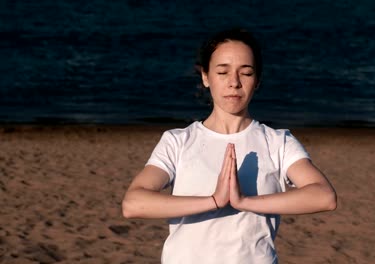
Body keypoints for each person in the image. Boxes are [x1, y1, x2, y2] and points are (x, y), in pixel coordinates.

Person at [122, 28, 337, 264]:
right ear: (205, 77)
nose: (234, 83)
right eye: (222, 72)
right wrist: (213, 201)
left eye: (245, 73)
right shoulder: (178, 141)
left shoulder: (278, 141)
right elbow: (134, 203)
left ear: (257, 81)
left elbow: (324, 196)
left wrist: (245, 202)